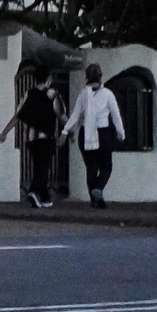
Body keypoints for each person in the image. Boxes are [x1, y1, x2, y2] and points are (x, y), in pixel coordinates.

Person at [0, 66, 63, 208]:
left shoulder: (28, 93)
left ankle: (45, 198)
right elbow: (61, 115)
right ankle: (33, 192)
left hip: (31, 139)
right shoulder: (52, 95)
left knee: (39, 166)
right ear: (48, 79)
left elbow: (18, 116)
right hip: (47, 137)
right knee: (44, 168)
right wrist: (68, 132)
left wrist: (4, 132)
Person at [65, 63, 128, 208]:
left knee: (91, 167)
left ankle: (95, 201)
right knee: (106, 167)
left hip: (86, 133)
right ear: (101, 77)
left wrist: (65, 131)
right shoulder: (107, 94)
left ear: (86, 77)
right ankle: (98, 189)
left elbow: (75, 115)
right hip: (103, 133)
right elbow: (116, 116)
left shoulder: (83, 94)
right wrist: (121, 134)